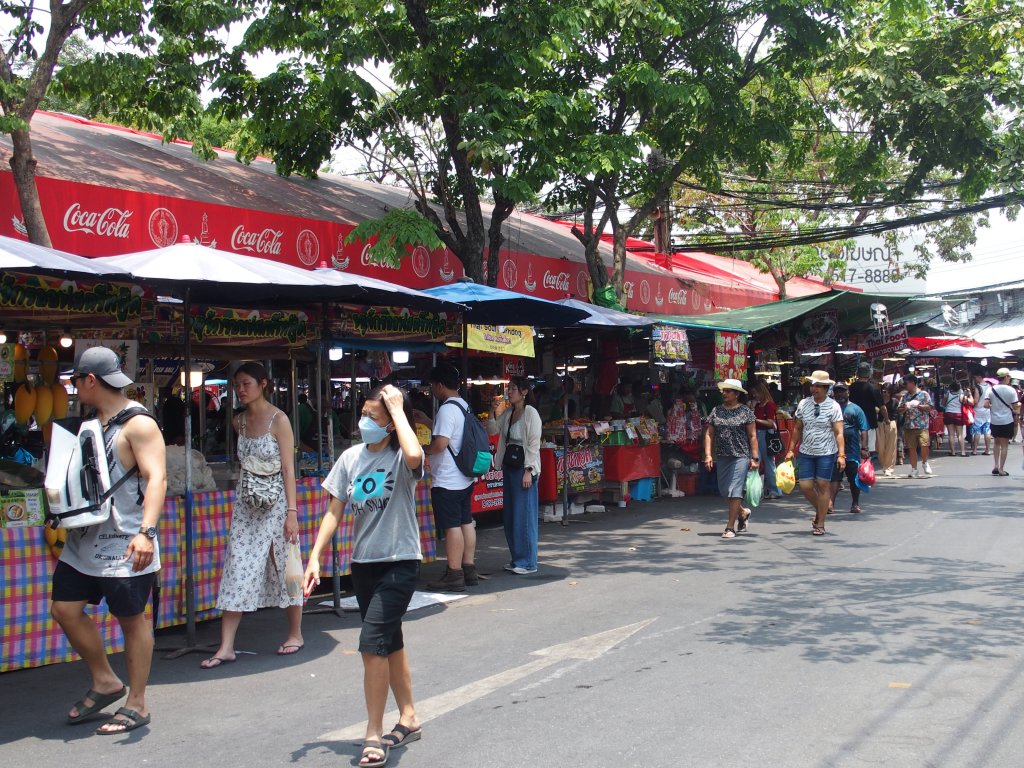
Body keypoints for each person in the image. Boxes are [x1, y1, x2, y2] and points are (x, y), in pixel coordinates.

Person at [305, 384, 423, 767]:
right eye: (364, 414)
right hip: (364, 564)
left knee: (372, 644)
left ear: (391, 424)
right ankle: (409, 717)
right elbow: (334, 511)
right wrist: (314, 557)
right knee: (390, 640)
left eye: (373, 417)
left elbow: (415, 454)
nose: (363, 422)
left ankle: (373, 734)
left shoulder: (401, 457)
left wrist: (399, 410)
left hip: (400, 561)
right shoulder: (350, 458)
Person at [53, 346, 167, 735]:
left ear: (90, 380)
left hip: (126, 542)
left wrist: (147, 532)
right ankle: (105, 681)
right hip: (84, 540)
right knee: (64, 609)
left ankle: (137, 702)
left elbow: (157, 478)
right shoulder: (91, 422)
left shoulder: (139, 424)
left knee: (131, 620)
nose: (73, 387)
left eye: (75, 380)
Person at [201, 362, 303, 669]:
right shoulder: (239, 422)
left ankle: (295, 633)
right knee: (237, 565)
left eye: (246, 383)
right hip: (246, 507)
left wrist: (292, 513)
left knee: (285, 565)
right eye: (237, 385)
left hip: (277, 505)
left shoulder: (279, 420)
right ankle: (226, 646)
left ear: (263, 384)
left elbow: (289, 469)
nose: (241, 390)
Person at [424, 363, 477, 592]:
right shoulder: (464, 405)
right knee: (466, 522)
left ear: (439, 385)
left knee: (451, 526)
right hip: (464, 477)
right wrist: (427, 421)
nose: (432, 390)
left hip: (448, 479)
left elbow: (441, 443)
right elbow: (453, 433)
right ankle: (469, 569)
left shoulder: (446, 409)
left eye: (432, 386)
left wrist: (423, 450)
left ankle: (454, 574)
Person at [488, 376, 543, 573]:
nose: (509, 392)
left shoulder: (531, 413)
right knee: (511, 515)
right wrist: (492, 410)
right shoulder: (509, 412)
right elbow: (493, 429)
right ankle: (517, 558)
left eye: (513, 388)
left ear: (524, 392)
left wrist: (528, 470)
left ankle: (528, 562)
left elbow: (534, 443)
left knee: (524, 516)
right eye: (508, 388)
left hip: (524, 468)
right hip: (510, 466)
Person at [784, 370, 844, 536]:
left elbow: (839, 432)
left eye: (818, 386)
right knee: (805, 486)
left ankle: (820, 523)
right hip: (806, 451)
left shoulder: (834, 406)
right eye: (812, 385)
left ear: (825, 388)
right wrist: (791, 449)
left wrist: (841, 455)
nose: (814, 388)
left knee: (823, 485)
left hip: (826, 451)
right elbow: (797, 428)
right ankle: (821, 509)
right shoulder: (804, 404)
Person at [703, 378, 758, 539]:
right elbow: (709, 434)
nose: (724, 394)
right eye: (723, 391)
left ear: (737, 394)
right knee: (724, 490)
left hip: (741, 455)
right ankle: (742, 512)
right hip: (723, 456)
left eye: (728, 391)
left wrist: (754, 457)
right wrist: (708, 455)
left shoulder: (745, 412)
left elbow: (752, 435)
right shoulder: (716, 411)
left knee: (735, 490)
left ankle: (730, 527)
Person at [829, 383, 870, 514]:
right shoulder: (830, 408)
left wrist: (864, 448)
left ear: (848, 393)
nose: (839, 394)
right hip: (834, 449)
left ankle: (855, 503)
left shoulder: (856, 409)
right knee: (835, 477)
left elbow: (864, 429)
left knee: (853, 479)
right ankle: (831, 503)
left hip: (852, 449)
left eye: (842, 391)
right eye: (837, 392)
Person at [749, 381, 782, 499]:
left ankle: (775, 490)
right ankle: (756, 490)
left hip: (766, 435)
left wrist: (755, 419)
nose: (755, 396)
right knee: (755, 462)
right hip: (757, 434)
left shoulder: (769, 405)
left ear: (761, 392)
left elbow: (769, 423)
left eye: (756, 393)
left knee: (769, 464)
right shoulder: (757, 405)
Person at [984, 367, 1019, 476]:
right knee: (1004, 445)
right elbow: (1015, 406)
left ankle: (995, 465)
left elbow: (985, 405)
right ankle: (1001, 469)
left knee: (996, 443)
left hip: (994, 420)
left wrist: (994, 406)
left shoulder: (991, 389)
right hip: (1006, 420)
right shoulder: (1011, 390)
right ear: (1006, 377)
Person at [898, 374, 934, 478]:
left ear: (913, 383)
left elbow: (930, 407)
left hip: (922, 424)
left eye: (906, 383)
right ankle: (914, 468)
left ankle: (925, 462)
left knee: (924, 444)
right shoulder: (905, 396)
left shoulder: (924, 394)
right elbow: (899, 409)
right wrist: (905, 407)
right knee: (911, 448)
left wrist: (919, 406)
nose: (905, 386)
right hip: (909, 425)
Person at [849, 362, 886, 460]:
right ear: (870, 373)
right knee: (867, 450)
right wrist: (887, 419)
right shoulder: (873, 388)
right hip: (869, 423)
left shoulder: (851, 387)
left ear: (857, 373)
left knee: (854, 449)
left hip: (852, 423)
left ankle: (857, 467)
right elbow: (882, 407)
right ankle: (865, 468)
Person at [940, 380, 971, 457]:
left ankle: (953, 452)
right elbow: (965, 403)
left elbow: (943, 403)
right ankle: (963, 452)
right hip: (958, 414)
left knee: (951, 434)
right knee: (960, 434)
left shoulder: (948, 394)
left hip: (948, 414)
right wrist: (967, 395)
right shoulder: (961, 394)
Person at [875, 384, 898, 477]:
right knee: (880, 447)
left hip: (891, 423)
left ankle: (889, 467)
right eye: (884, 391)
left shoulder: (894, 401)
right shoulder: (878, 401)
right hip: (880, 424)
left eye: (889, 392)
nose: (886, 394)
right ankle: (884, 465)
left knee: (891, 446)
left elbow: (897, 413)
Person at [969, 370, 992, 456]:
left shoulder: (978, 387)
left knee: (977, 430)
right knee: (987, 430)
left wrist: (970, 397)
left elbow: (975, 400)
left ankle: (975, 450)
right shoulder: (989, 386)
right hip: (987, 410)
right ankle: (988, 450)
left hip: (978, 410)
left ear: (979, 377)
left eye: (975, 377)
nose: (974, 379)